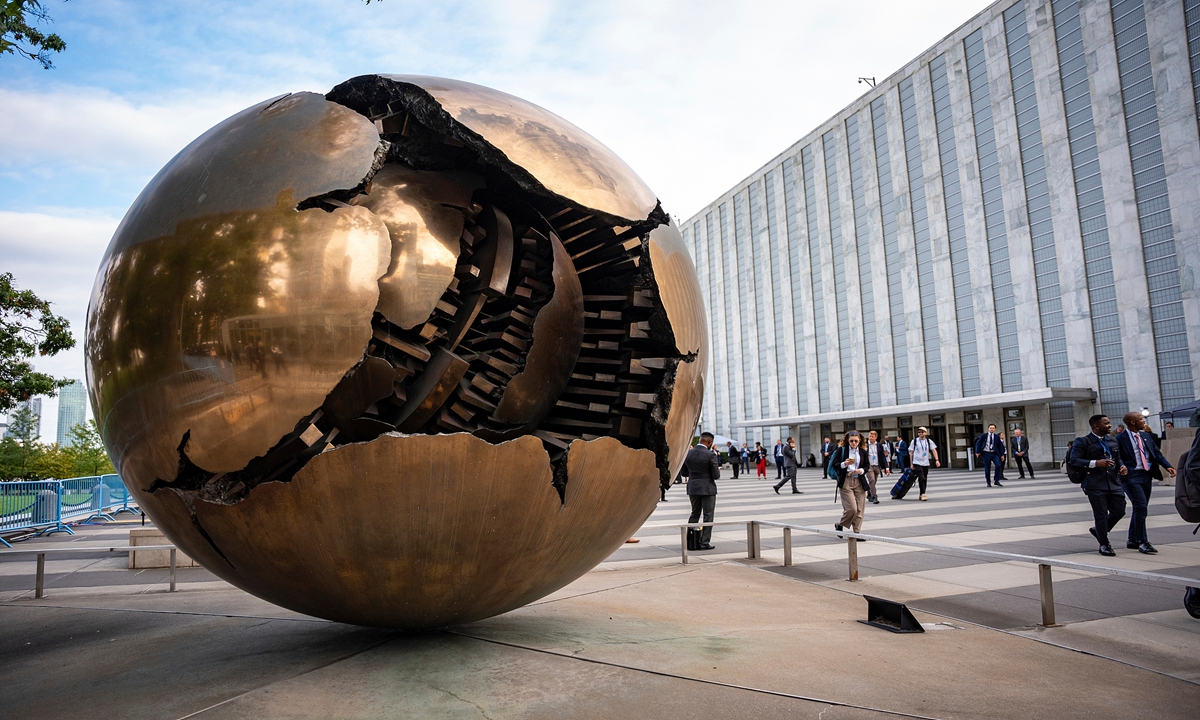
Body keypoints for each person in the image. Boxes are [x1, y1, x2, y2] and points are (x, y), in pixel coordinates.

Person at [1068, 414, 1128, 556]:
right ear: (1096, 426)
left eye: (1109, 423)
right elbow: (1074, 460)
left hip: (1113, 483)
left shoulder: (1112, 440)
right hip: (1094, 484)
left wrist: (1122, 466)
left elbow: (1117, 458)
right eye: (1106, 423)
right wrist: (1095, 463)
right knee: (1100, 514)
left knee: (1119, 511)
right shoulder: (1083, 442)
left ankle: (1098, 530)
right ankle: (1104, 544)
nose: (1110, 425)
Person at [1116, 411, 1176, 554]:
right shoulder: (1120, 438)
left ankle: (1132, 539)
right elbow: (1117, 456)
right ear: (1133, 422)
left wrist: (1168, 466)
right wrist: (1122, 467)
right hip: (1131, 476)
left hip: (1146, 475)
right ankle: (1143, 542)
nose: (1144, 421)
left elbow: (1156, 454)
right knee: (1141, 506)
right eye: (1141, 419)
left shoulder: (1146, 436)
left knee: (1140, 507)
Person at [685, 432, 721, 550]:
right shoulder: (710, 455)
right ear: (709, 442)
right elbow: (715, 475)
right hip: (707, 488)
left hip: (693, 487)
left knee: (694, 513)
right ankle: (704, 542)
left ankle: (690, 541)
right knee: (708, 515)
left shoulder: (688, 453)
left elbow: (684, 473)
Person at [831, 431, 870, 538]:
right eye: (851, 441)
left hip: (859, 481)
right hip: (846, 480)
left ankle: (857, 533)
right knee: (851, 508)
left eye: (856, 441)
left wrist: (861, 470)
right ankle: (840, 524)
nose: (853, 443)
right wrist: (845, 463)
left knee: (860, 509)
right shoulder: (842, 450)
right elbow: (835, 464)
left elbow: (867, 466)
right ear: (847, 441)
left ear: (860, 441)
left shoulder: (863, 452)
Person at [909, 427, 939, 501]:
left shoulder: (928, 441)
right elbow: (911, 453)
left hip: (925, 462)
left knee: (924, 478)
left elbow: (934, 450)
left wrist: (937, 460)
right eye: (919, 432)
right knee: (921, 477)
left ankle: (922, 493)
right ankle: (923, 494)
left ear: (926, 433)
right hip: (917, 462)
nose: (920, 433)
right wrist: (911, 464)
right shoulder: (915, 441)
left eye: (922, 432)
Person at [974, 424, 1007, 488]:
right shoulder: (984, 435)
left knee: (998, 465)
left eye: (993, 428)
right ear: (988, 428)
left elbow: (1000, 446)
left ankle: (996, 480)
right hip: (986, 453)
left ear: (995, 429)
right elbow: (979, 443)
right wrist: (977, 452)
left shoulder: (997, 437)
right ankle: (988, 482)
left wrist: (1002, 455)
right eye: (990, 428)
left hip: (994, 453)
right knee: (987, 468)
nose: (992, 429)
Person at [864, 430, 890, 504]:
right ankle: (874, 496)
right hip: (869, 466)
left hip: (877, 465)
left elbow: (882, 456)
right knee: (871, 480)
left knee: (874, 481)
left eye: (872, 436)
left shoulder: (879, 445)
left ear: (876, 437)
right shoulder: (865, 445)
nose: (870, 438)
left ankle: (869, 493)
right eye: (869, 436)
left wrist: (886, 467)